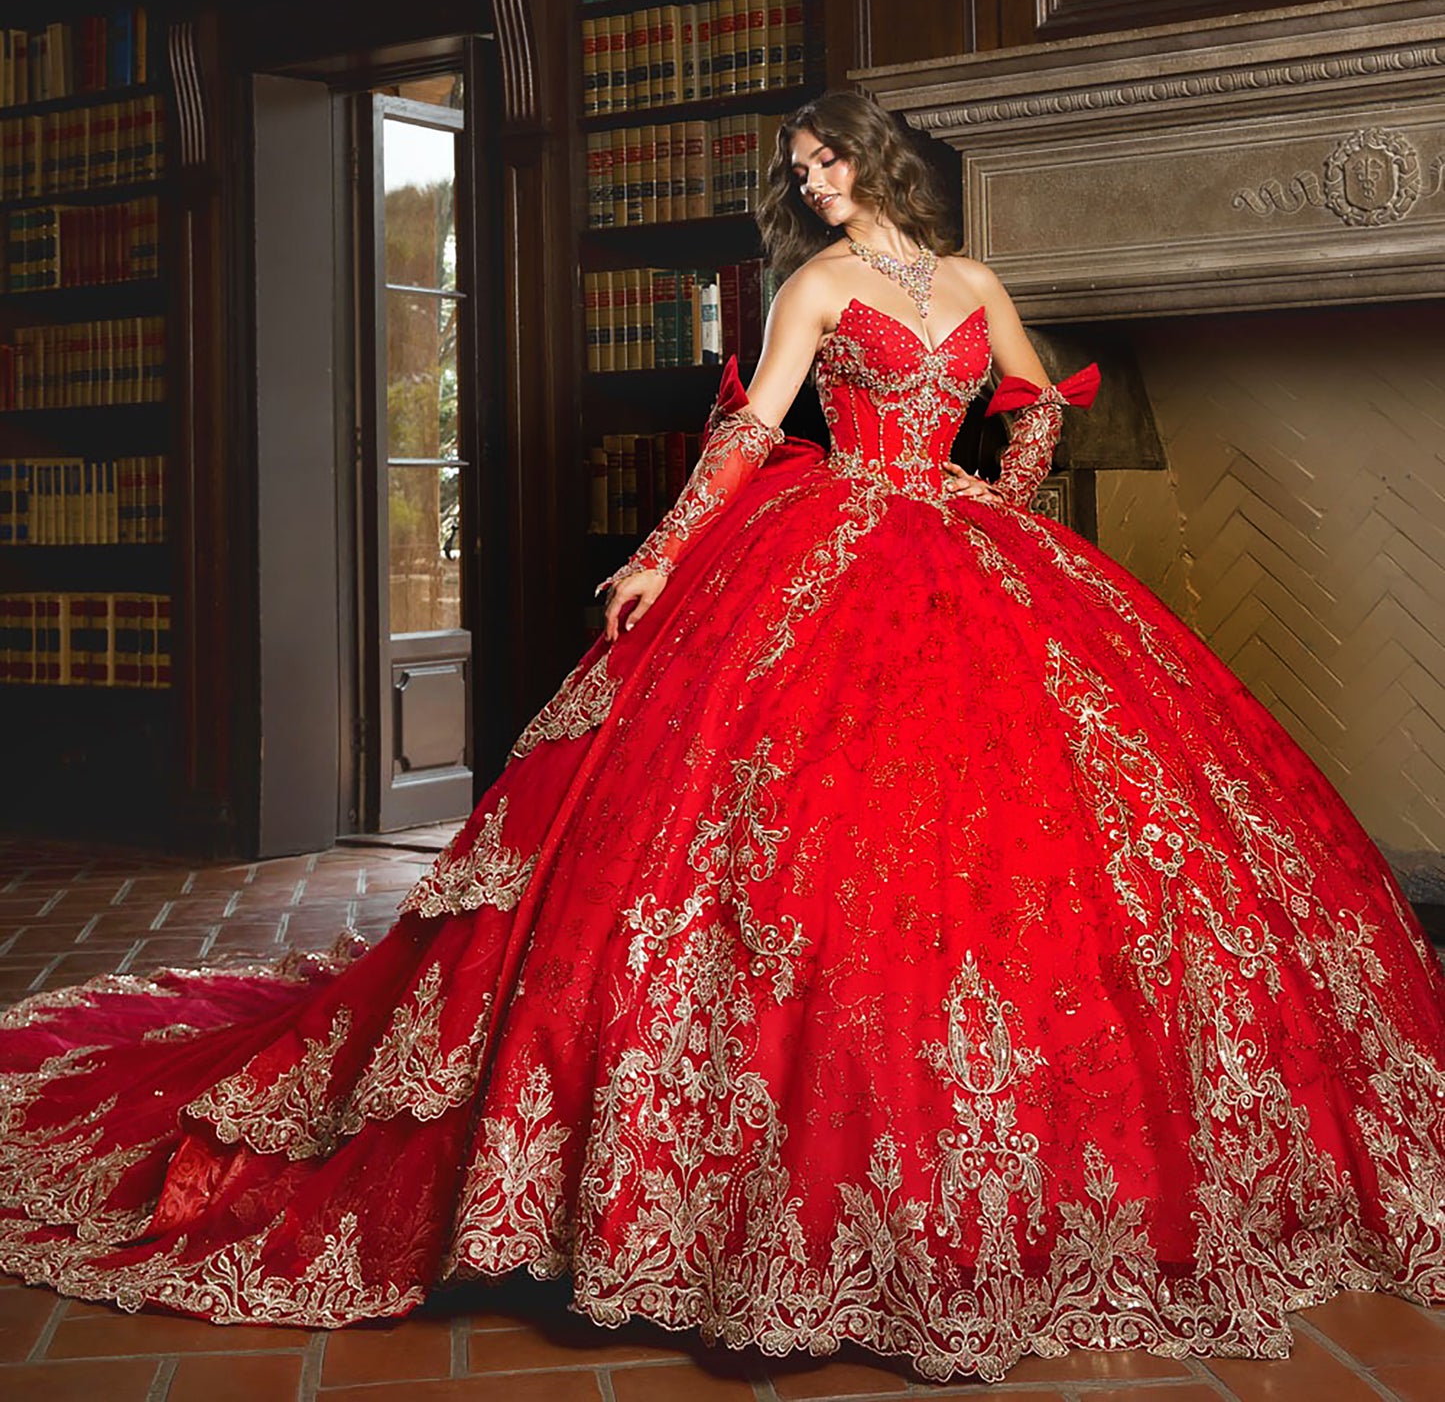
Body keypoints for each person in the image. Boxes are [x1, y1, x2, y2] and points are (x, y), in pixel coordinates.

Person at [2, 88, 1445, 1383]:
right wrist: (666, 556)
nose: (811, 182)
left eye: (826, 159)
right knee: (781, 824)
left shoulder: (932, 275)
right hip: (852, 549)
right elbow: (755, 431)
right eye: (803, 166)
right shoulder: (829, 281)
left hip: (931, 544)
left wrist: (1001, 496)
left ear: (878, 160)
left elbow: (1033, 409)